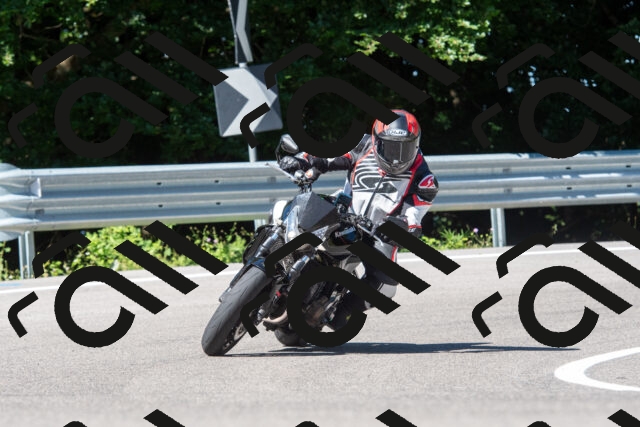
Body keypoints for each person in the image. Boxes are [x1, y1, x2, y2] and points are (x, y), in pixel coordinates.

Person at [278, 109, 439, 331]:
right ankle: (273, 262)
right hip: (342, 211)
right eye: (391, 147)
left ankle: (339, 310)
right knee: (287, 211)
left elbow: (414, 214)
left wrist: (405, 227)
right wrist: (302, 159)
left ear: (416, 144)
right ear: (377, 140)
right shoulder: (361, 146)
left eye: (405, 149)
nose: (397, 156)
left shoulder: (424, 179)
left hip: (377, 233)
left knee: (387, 287)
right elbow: (326, 156)